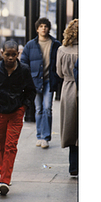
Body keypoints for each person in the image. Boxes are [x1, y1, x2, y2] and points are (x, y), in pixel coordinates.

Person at [0, 40, 36, 195]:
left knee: (11, 145)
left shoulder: (24, 69)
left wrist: (23, 107)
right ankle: (3, 171)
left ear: (18, 54)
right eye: (7, 54)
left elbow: (31, 90)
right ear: (2, 53)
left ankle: (4, 179)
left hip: (16, 111)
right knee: (0, 144)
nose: (10, 57)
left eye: (13, 54)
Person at [21, 17, 62, 149]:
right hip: (35, 81)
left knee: (47, 108)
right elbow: (23, 63)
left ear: (48, 28)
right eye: (41, 26)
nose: (43, 28)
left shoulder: (56, 44)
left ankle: (46, 137)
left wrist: (57, 77)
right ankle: (39, 136)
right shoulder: (30, 45)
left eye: (46, 26)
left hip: (49, 80)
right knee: (38, 109)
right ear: (37, 29)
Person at [56, 19, 79, 176]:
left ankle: (73, 166)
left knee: (71, 128)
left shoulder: (62, 50)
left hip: (68, 88)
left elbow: (58, 72)